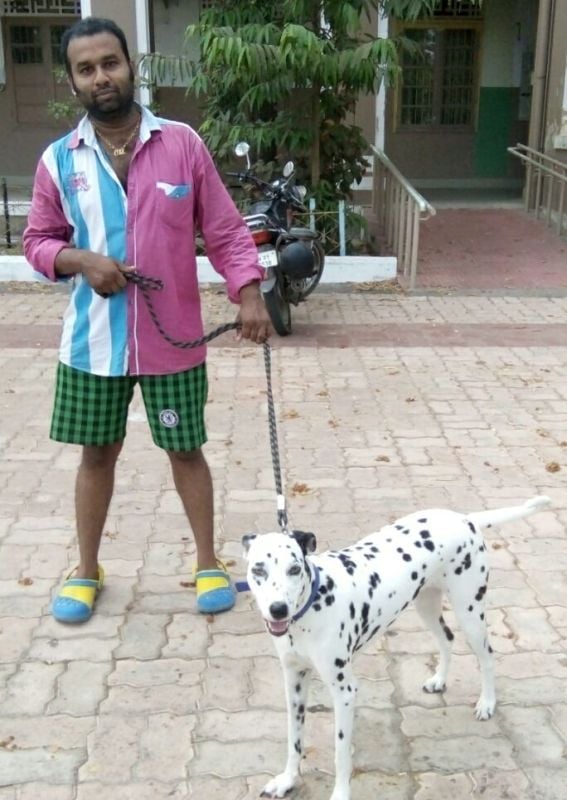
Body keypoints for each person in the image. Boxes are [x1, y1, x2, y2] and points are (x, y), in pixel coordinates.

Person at [23, 16, 271, 624]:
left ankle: (208, 562)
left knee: (186, 450)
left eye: (110, 62)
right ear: (74, 80)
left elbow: (224, 229)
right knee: (96, 455)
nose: (100, 77)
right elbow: (36, 242)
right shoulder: (59, 161)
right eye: (86, 69)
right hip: (92, 345)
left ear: (130, 65)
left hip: (174, 340)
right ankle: (87, 571)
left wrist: (250, 292)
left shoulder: (181, 143)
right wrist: (78, 259)